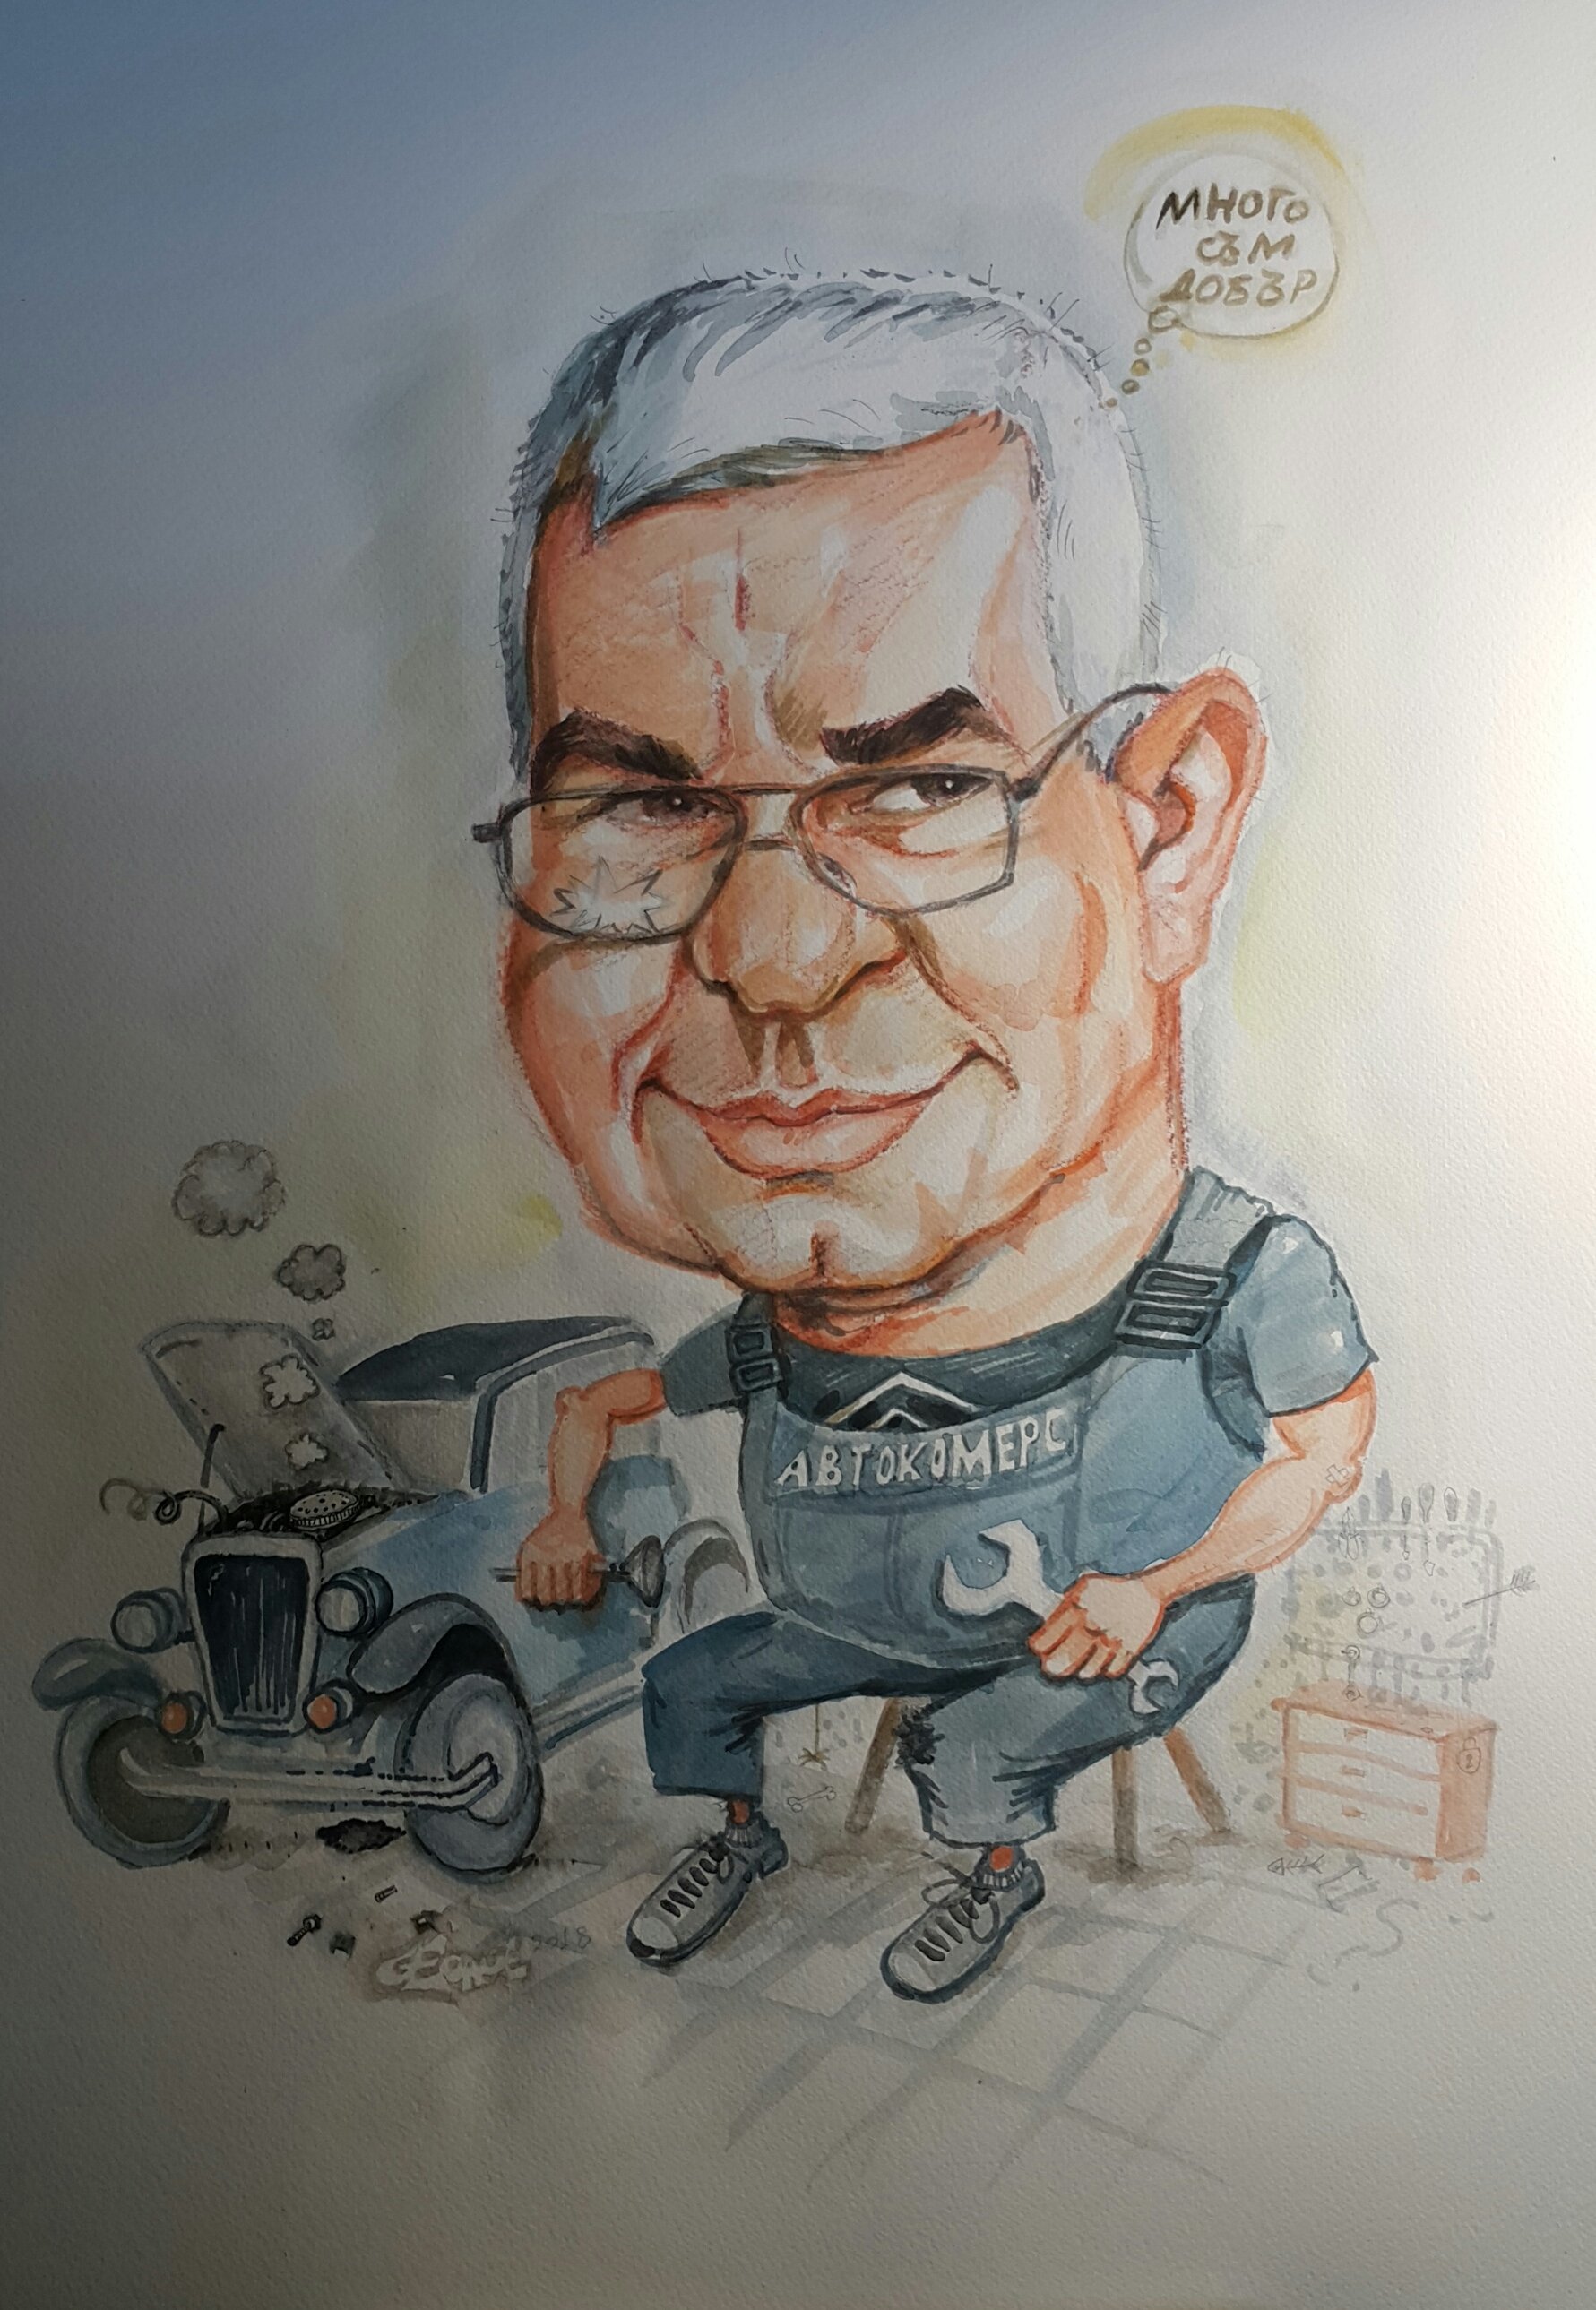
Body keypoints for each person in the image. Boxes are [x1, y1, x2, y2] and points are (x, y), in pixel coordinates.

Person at [477, 272, 1376, 2002]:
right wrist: (562, 1512)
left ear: (1170, 830)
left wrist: (1159, 1583)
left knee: (980, 1744)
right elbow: (606, 1404)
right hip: (847, 1621)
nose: (770, 958)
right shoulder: (767, 1341)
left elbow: (1325, 1448)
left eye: (920, 787)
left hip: (1106, 1620)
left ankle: (988, 1867)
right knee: (695, 1683)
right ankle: (737, 1833)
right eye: (645, 804)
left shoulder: (1228, 1276)